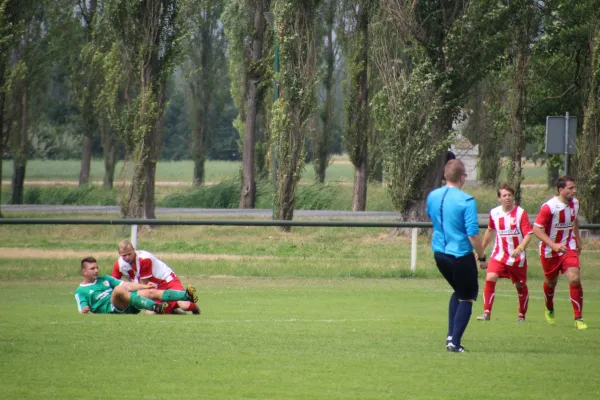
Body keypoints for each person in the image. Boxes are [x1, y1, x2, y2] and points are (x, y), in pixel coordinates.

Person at [426, 159, 488, 353]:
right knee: (467, 297)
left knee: (459, 292)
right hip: (460, 255)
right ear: (463, 177)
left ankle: (450, 336)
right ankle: (455, 343)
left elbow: (433, 217)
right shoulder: (467, 200)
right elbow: (473, 234)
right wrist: (482, 256)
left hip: (439, 254)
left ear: (445, 175)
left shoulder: (433, 196)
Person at [533, 176, 588, 330]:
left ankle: (578, 318)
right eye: (570, 188)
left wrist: (577, 239)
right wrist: (553, 244)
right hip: (549, 250)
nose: (574, 190)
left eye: (574, 187)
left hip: (568, 247)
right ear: (560, 190)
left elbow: (574, 220)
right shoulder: (549, 207)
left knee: (574, 278)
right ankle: (549, 308)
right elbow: (536, 229)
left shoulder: (575, 203)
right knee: (551, 283)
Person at [476, 184, 533, 322]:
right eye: (504, 195)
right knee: (490, 277)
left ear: (513, 197)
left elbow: (528, 234)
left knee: (520, 286)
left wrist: (520, 248)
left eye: (509, 195)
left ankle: (521, 315)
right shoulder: (494, 213)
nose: (507, 198)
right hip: (499, 255)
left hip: (517, 258)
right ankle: (486, 313)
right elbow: (490, 231)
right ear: (499, 198)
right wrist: (481, 250)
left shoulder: (520, 213)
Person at [75, 256, 198, 314]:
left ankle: (186, 295)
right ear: (84, 272)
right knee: (118, 290)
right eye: (92, 269)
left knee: (152, 292)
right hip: (113, 308)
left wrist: (145, 286)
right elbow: (82, 308)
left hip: (128, 303)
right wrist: (84, 310)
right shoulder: (81, 291)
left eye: (97, 267)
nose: (96, 271)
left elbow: (127, 285)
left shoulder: (105, 278)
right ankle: (155, 307)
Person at [112, 240, 200, 315]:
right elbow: (113, 283)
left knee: (184, 306)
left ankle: (194, 307)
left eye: (129, 254)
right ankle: (172, 308)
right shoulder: (119, 265)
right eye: (124, 255)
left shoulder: (144, 259)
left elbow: (145, 287)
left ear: (134, 250)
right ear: (119, 254)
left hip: (166, 281)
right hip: (152, 288)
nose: (127, 257)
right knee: (151, 313)